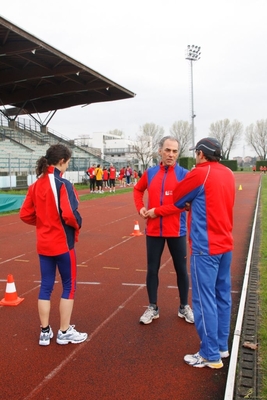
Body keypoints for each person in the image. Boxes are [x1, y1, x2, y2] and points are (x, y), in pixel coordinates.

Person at [146, 137, 235, 369]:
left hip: (206, 247)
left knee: (204, 300)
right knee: (222, 297)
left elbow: (177, 197)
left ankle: (209, 354)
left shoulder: (200, 172)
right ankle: (221, 347)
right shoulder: (228, 173)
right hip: (226, 244)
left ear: (201, 154)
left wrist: (188, 203)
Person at [19, 144, 87, 346]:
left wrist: (42, 223)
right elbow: (69, 214)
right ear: (62, 161)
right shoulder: (62, 183)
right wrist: (78, 224)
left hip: (44, 244)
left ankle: (45, 332)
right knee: (69, 286)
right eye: (67, 162)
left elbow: (25, 214)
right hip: (62, 244)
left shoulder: (35, 185)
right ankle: (64, 332)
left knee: (45, 286)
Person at [133, 136, 194, 325]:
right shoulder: (150, 173)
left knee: (181, 270)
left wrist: (156, 212)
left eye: (175, 151)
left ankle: (184, 306)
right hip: (153, 231)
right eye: (168, 150)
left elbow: (184, 204)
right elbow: (137, 190)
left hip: (176, 230)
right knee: (152, 269)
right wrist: (140, 208)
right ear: (160, 151)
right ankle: (153, 307)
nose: (171, 154)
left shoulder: (184, 174)